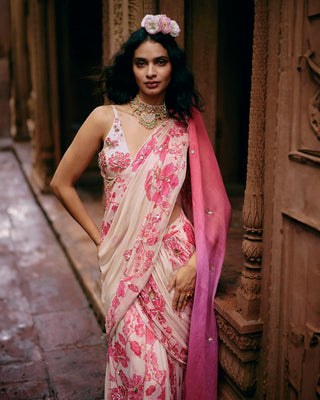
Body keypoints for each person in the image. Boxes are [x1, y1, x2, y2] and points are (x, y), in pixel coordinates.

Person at [51, 14, 231, 400]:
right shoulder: (104, 118)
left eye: (160, 62)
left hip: (176, 263)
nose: (151, 72)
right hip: (123, 258)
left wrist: (197, 261)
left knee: (173, 375)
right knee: (144, 379)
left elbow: (212, 205)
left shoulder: (185, 126)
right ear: (129, 68)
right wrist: (101, 238)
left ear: (173, 68)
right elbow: (60, 183)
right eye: (141, 62)